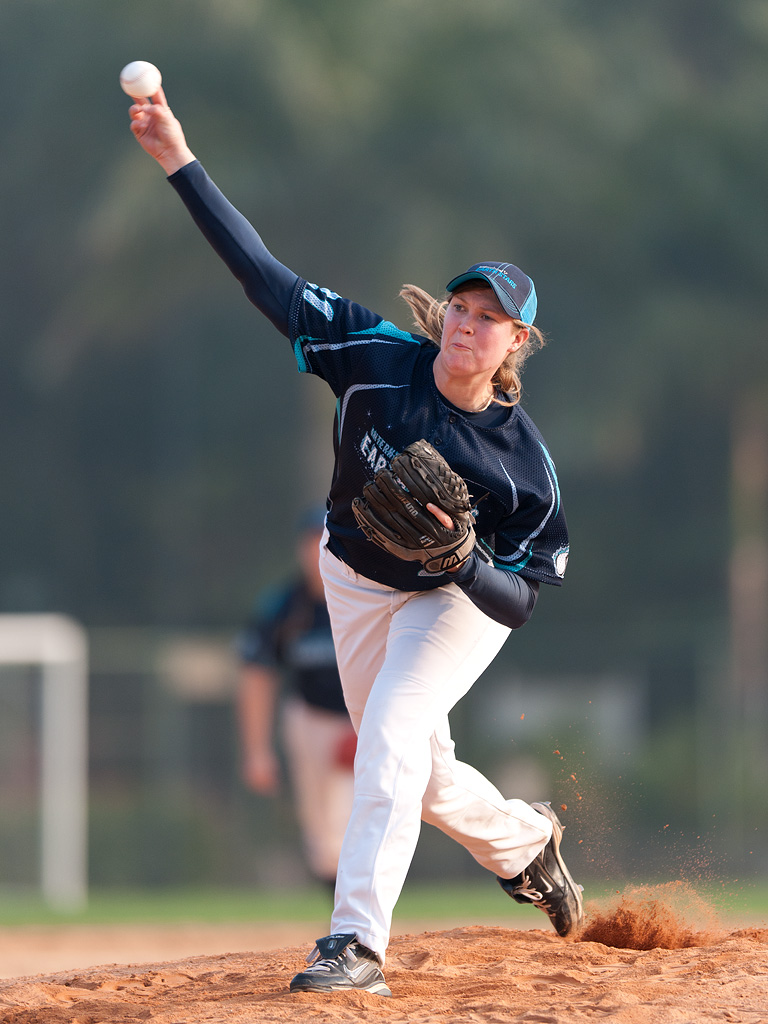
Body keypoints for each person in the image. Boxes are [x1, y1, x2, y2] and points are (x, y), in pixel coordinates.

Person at [127, 85, 584, 999]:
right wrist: (180, 159)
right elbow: (264, 275)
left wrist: (464, 563)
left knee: (384, 741)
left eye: (490, 317)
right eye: (461, 305)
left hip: (457, 601)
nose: (468, 323)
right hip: (355, 579)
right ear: (443, 315)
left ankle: (356, 947)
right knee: (415, 769)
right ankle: (526, 843)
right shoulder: (377, 360)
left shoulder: (523, 467)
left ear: (515, 342)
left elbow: (523, 598)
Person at [236, 507, 357, 894]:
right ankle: (344, 918)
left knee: (378, 815)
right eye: (310, 543)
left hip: (368, 719)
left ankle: (363, 914)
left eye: (324, 541)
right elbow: (256, 674)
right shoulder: (285, 605)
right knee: (323, 829)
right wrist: (257, 751)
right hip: (313, 721)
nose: (317, 551)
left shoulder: (366, 596)